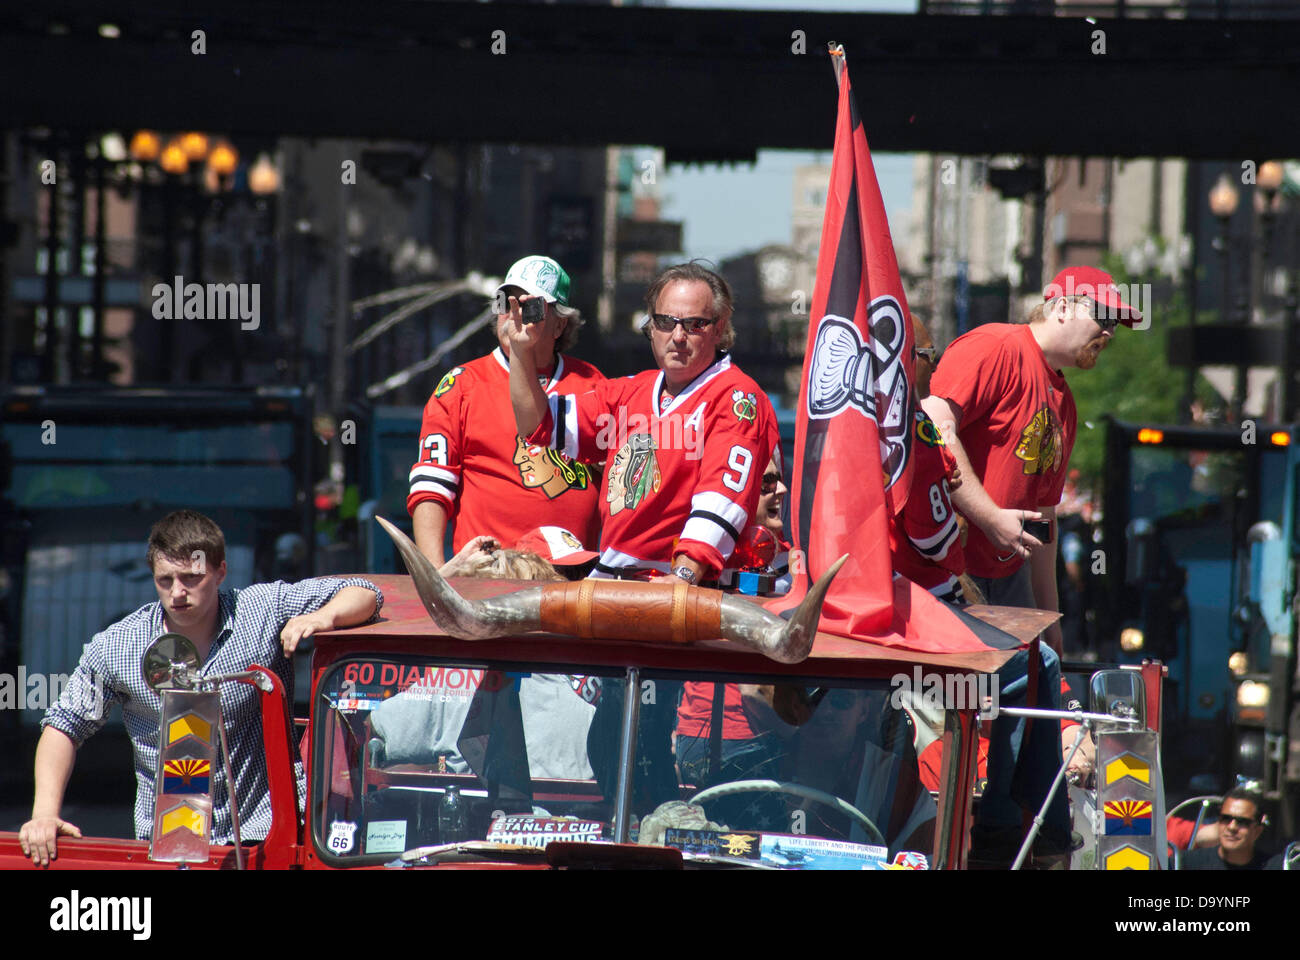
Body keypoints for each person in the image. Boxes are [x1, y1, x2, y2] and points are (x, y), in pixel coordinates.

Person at [18, 510, 382, 866]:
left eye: (191, 578)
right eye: (165, 580)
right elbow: (63, 725)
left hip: (267, 839)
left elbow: (365, 593)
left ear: (221, 570)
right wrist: (44, 815)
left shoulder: (260, 609)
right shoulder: (117, 646)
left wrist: (320, 617)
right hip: (167, 847)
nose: (177, 592)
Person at [507, 260, 779, 584]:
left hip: (683, 589)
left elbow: (721, 501)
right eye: (666, 322)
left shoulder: (738, 398)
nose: (678, 336)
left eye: (694, 325)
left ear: (719, 328)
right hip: (610, 582)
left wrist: (683, 577)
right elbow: (538, 425)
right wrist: (522, 352)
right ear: (651, 327)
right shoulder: (629, 392)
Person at [921, 265, 1141, 653]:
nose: (1109, 332)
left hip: (1008, 577)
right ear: (1063, 308)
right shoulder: (995, 346)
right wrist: (990, 518)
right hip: (947, 569)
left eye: (1115, 325)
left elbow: (1045, 516)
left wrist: (1048, 614)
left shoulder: (1065, 403)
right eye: (1103, 317)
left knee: (1027, 696)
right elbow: (935, 427)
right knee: (958, 702)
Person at [407, 255, 605, 567]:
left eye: (530, 306)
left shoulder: (593, 384)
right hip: (488, 577)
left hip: (572, 579)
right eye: (505, 302)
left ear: (560, 324)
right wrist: (435, 577)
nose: (514, 315)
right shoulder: (461, 385)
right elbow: (431, 487)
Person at [1182, 787, 1276, 870]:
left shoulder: (1275, 866)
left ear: (1257, 831)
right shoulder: (1187, 864)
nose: (1232, 827)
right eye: (1226, 819)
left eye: (1242, 822)